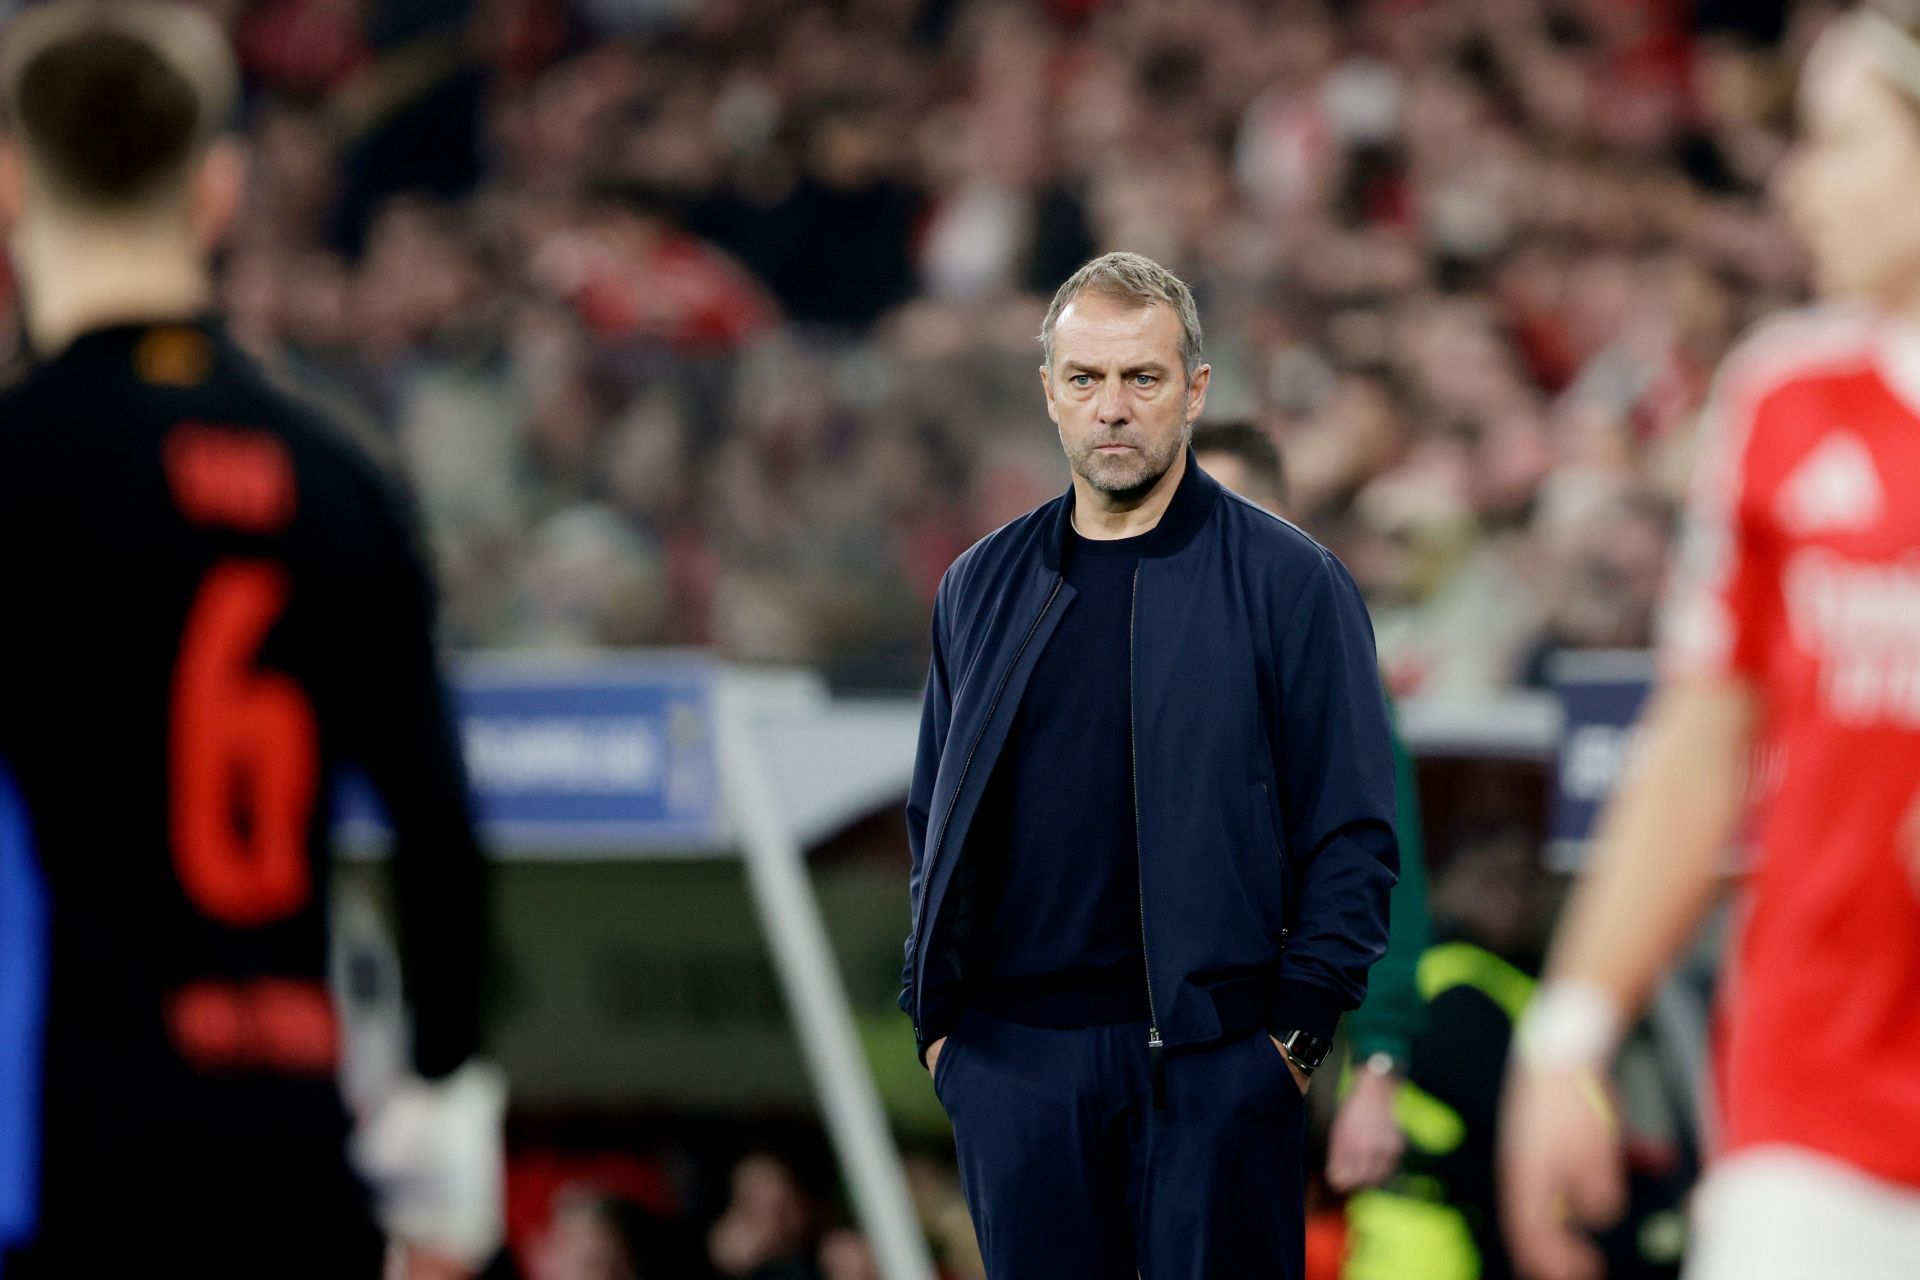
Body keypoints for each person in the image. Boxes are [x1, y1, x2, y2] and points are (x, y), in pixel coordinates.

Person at [0, 4, 498, 1275]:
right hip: (287, 1141)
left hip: (66, 1150)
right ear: (217, 192)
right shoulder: (338, 478)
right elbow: (439, 828)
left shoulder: (23, 467)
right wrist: (445, 1094)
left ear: (10, 185)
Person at [1500, 6, 1920, 1279]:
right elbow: (1696, 747)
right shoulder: (1784, 400)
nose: (1800, 185)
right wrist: (1570, 1031)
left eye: (1842, 142)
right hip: (1814, 1093)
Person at [899, 251, 1399, 1278]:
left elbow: (1352, 832)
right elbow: (933, 820)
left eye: (1143, 378)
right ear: (1050, 393)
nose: (1113, 407)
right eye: (1086, 379)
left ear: (1195, 390)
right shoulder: (978, 585)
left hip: (1216, 1067)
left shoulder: (1294, 582)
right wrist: (946, 1036)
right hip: (1014, 1068)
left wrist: (1289, 1044)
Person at [1193, 420, 1435, 1194]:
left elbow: (1384, 870)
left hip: (1259, 1061)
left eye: (1240, 508)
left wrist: (1376, 1069)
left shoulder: (1326, 663)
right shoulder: (1125, 656)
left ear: (1285, 521)